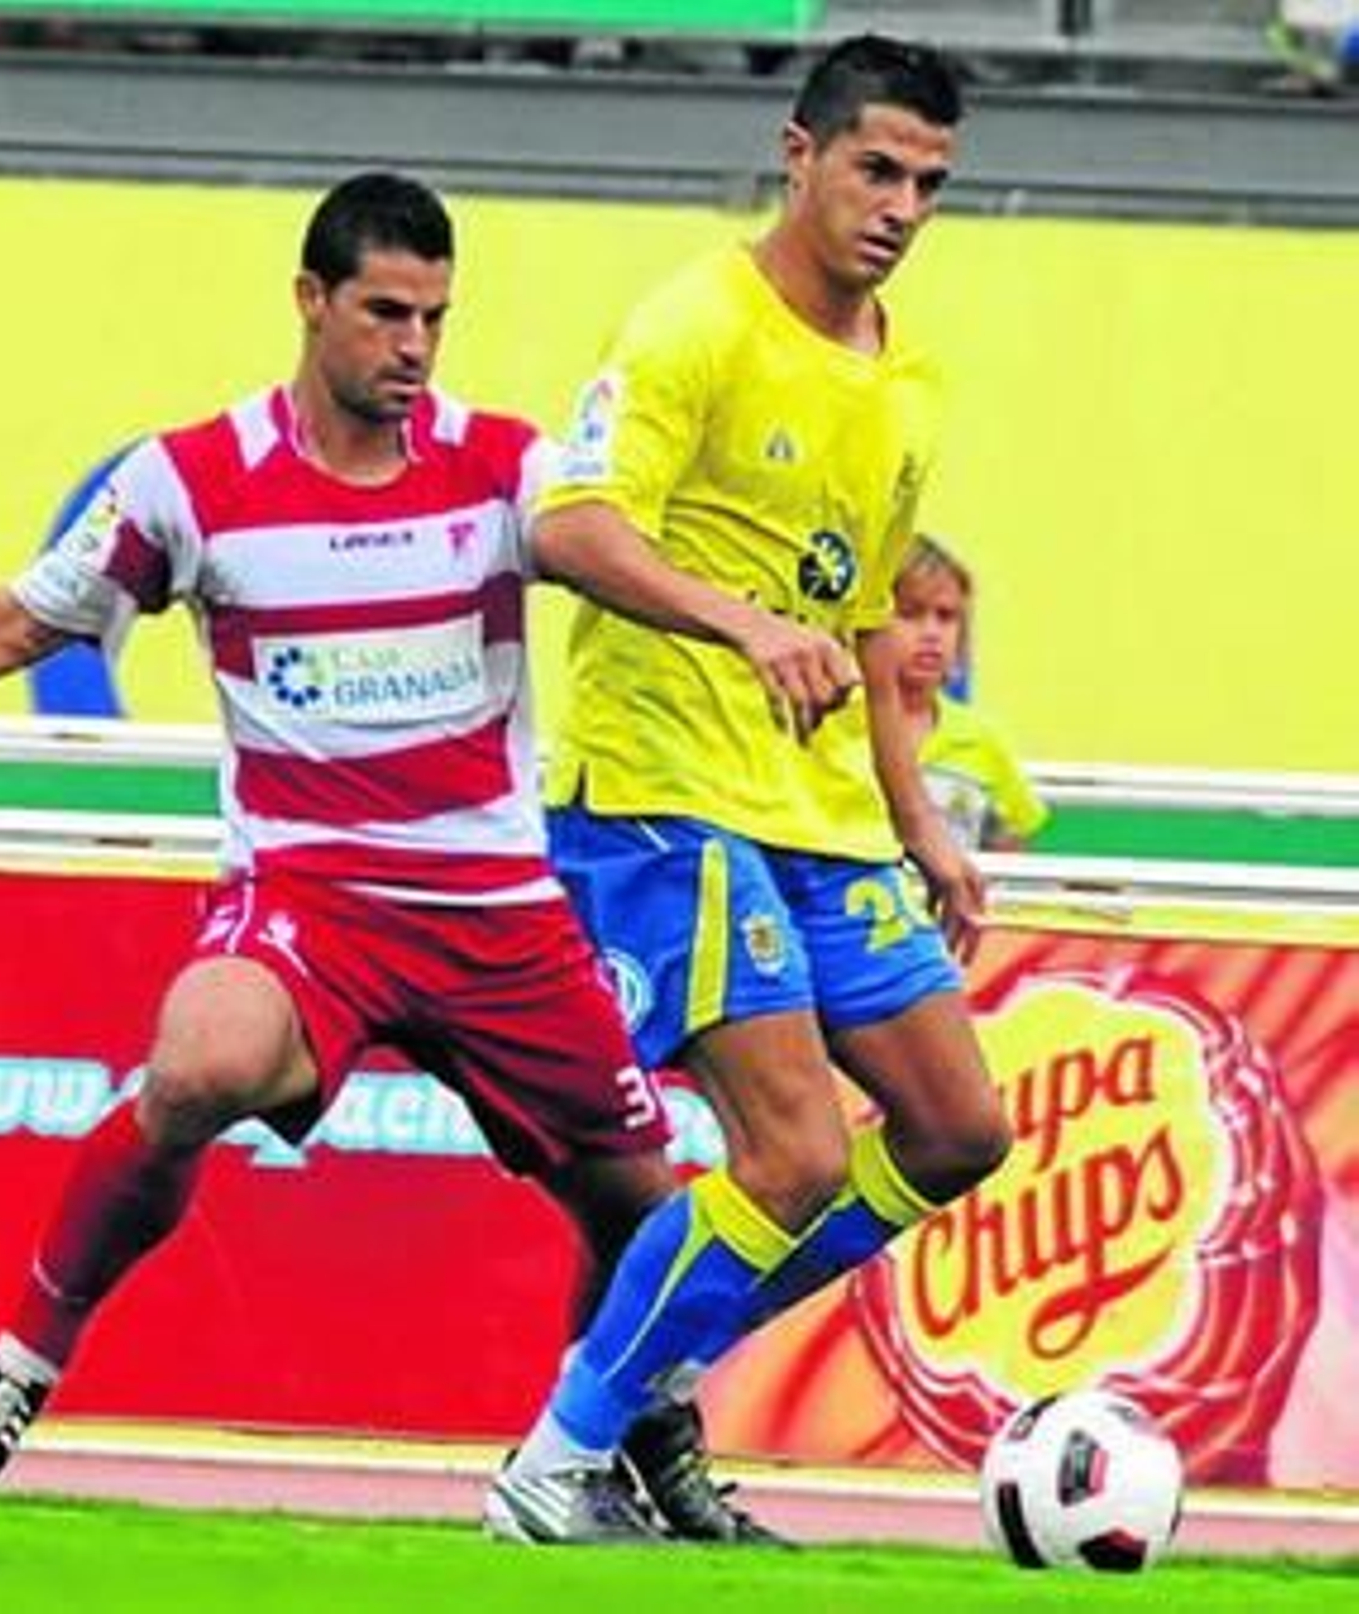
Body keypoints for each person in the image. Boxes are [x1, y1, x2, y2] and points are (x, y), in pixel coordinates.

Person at [0, 171, 765, 1543]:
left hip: (496, 908)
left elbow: (595, 539)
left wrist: (744, 618)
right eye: (386, 312)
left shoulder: (504, 466)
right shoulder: (190, 480)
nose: (414, 346)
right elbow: (23, 620)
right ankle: (19, 1366)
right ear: (311, 300)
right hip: (312, 895)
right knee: (198, 1064)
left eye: (435, 317)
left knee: (641, 1202)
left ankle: (625, 1441)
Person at [484, 35, 1014, 1545]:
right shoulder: (691, 325)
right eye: (876, 169)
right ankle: (552, 1468)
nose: (900, 207)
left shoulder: (906, 379)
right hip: (665, 793)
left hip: (820, 813)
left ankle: (646, 1371)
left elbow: (867, 617)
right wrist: (740, 622)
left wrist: (920, 823)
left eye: (928, 183)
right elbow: (568, 524)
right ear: (800, 153)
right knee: (789, 1154)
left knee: (958, 1128)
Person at [887, 534, 1048, 852]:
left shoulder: (980, 740)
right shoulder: (841, 730)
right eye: (910, 614)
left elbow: (1014, 844)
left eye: (946, 617)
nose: (931, 633)